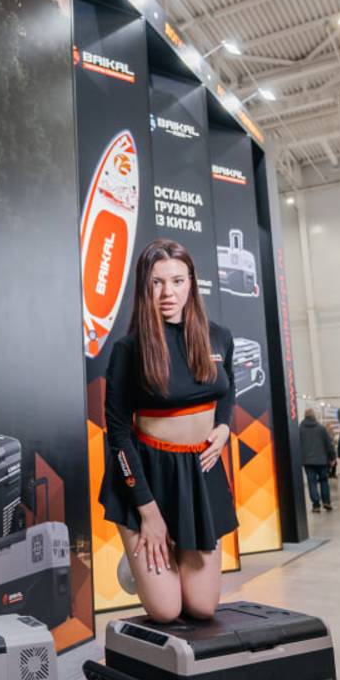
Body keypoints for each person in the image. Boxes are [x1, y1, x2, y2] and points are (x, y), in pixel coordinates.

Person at [100, 239, 237, 623]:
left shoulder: (219, 337)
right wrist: (148, 513)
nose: (167, 293)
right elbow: (118, 434)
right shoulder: (130, 350)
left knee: (202, 607)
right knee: (166, 610)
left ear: (191, 282)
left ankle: (162, 561)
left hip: (200, 474)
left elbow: (227, 389)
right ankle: (138, 559)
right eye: (157, 282)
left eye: (177, 281)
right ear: (145, 286)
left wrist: (223, 427)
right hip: (148, 477)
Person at [298, 410, 336, 513]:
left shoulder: (299, 430)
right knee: (324, 481)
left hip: (307, 462)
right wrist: (332, 457)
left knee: (312, 483)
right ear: (314, 416)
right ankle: (326, 502)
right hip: (322, 461)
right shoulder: (321, 429)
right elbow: (329, 445)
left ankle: (316, 505)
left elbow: (297, 445)